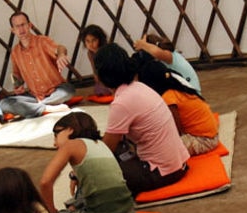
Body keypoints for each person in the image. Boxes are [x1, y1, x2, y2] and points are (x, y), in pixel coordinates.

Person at [94, 43, 190, 196]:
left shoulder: (121, 103)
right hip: (180, 164)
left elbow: (106, 150)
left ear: (101, 75)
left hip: (162, 172)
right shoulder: (140, 87)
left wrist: (79, 171)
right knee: (111, 147)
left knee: (100, 171)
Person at [39, 112, 135, 213]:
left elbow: (45, 182)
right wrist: (75, 176)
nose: (54, 143)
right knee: (82, 191)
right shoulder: (100, 144)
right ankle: (75, 210)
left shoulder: (70, 145)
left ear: (69, 130)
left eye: (56, 135)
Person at [0, 11, 75, 118]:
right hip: (34, 95)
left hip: (56, 90)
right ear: (13, 30)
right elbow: (16, 75)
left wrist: (61, 55)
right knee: (4, 104)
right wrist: (18, 86)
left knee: (68, 91)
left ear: (29, 25)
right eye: (17, 26)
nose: (21, 29)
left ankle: (34, 108)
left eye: (23, 25)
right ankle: (47, 108)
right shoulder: (15, 52)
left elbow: (60, 48)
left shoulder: (42, 41)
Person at [137, 60, 219, 155]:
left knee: (156, 150)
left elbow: (175, 130)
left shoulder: (168, 98)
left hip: (204, 140)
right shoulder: (178, 88)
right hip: (211, 134)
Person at [133, 33, 201, 94]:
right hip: (184, 91)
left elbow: (157, 53)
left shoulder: (169, 55)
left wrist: (143, 45)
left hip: (191, 93)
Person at [79, 25, 113, 97]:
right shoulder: (90, 54)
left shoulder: (107, 51)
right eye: (87, 41)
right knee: (99, 90)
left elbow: (113, 69)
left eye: (94, 40)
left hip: (115, 76)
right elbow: (95, 70)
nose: (91, 44)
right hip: (104, 79)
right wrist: (99, 82)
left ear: (100, 39)